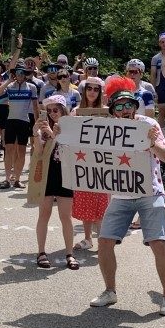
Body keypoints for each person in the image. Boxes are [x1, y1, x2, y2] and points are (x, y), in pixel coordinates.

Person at [89, 76, 165, 316]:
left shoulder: (149, 124)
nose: (125, 109)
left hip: (150, 191)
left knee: (158, 244)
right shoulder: (105, 129)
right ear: (113, 110)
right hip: (120, 194)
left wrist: (152, 144)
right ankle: (110, 291)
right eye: (119, 106)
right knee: (105, 242)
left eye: (129, 104)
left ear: (135, 106)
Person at [31, 95, 80, 270]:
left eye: (55, 110)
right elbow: (38, 151)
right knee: (44, 214)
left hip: (65, 173)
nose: (52, 114)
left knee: (65, 216)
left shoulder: (71, 127)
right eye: (49, 110)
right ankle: (41, 252)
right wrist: (35, 133)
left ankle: (69, 254)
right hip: (48, 173)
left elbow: (71, 151)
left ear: (63, 109)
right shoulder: (45, 128)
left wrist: (54, 135)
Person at [70, 76, 109, 250]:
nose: (92, 92)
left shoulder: (107, 111)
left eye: (96, 89)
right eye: (89, 88)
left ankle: (102, 238)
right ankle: (87, 238)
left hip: (102, 161)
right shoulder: (76, 111)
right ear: (84, 90)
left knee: (102, 199)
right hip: (82, 160)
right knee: (85, 198)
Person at [0, 62, 39, 189]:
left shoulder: (32, 87)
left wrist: (37, 124)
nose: (20, 75)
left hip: (24, 122)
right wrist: (8, 81)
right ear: (14, 74)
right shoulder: (9, 86)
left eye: (22, 73)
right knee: (9, 150)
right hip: (10, 121)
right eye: (17, 72)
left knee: (21, 151)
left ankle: (18, 179)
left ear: (25, 74)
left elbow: (35, 107)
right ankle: (7, 179)